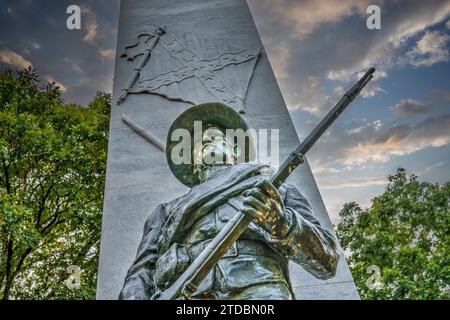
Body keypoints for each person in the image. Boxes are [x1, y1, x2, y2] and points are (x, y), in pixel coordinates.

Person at [119, 103, 339, 300]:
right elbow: (140, 275)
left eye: (215, 137)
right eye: (198, 143)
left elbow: (327, 261)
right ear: (191, 161)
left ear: (234, 150)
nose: (205, 140)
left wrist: (281, 223)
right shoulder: (165, 212)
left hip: (258, 292)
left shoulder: (276, 189)